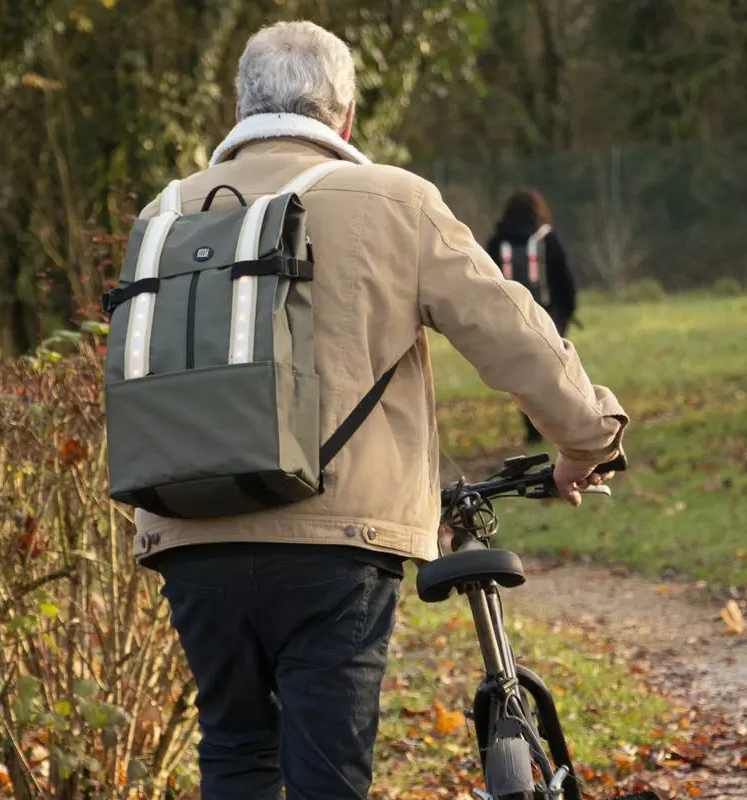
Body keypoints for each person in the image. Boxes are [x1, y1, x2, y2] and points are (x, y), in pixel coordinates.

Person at [135, 21, 627, 800]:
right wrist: (585, 437)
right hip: (337, 537)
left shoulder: (166, 211)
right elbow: (511, 331)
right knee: (329, 769)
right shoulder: (393, 201)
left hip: (188, 530)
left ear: (237, 108)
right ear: (346, 116)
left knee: (233, 751)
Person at [486, 189, 578, 443]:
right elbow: (565, 281)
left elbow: (485, 283)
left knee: (524, 377)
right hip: (548, 317)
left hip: (512, 320)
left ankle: (533, 430)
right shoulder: (548, 239)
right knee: (553, 375)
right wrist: (565, 315)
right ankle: (561, 428)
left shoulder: (496, 242)